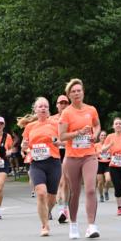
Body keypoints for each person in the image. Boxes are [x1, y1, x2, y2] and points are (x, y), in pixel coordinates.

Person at [58, 78, 101, 239]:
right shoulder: (66, 113)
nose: (76, 93)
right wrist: (78, 133)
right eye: (73, 91)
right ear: (69, 95)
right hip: (72, 157)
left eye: (79, 90)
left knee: (90, 189)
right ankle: (74, 224)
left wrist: (95, 135)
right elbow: (61, 136)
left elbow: (97, 125)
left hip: (89, 155)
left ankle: (91, 226)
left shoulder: (91, 110)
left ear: (83, 92)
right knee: (75, 192)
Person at [22, 97, 63, 236]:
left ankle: (48, 211)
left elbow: (64, 141)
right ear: (35, 109)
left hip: (53, 162)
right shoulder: (29, 127)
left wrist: (60, 143)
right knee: (40, 193)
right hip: (37, 164)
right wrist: (24, 146)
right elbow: (24, 144)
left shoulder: (55, 123)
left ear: (48, 109)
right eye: (40, 106)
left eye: (45, 106)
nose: (43, 108)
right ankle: (45, 226)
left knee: (52, 198)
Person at [101, 118, 121, 216]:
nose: (118, 125)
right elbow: (103, 150)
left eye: (120, 123)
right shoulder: (110, 136)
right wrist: (109, 145)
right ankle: (120, 208)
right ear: (113, 126)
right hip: (114, 165)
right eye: (116, 124)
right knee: (117, 187)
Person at [51, 94, 71, 222]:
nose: (63, 105)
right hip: (53, 153)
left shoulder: (72, 118)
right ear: (57, 105)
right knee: (55, 184)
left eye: (65, 103)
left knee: (64, 182)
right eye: (61, 103)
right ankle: (50, 208)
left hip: (68, 152)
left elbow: (74, 137)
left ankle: (64, 210)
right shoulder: (51, 119)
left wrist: (62, 143)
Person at [95, 130, 112, 203]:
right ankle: (101, 195)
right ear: (99, 137)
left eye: (105, 135)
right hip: (99, 164)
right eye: (102, 135)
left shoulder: (109, 145)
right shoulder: (96, 145)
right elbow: (92, 154)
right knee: (100, 182)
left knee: (108, 179)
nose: (103, 136)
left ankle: (106, 191)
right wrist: (98, 152)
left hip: (107, 164)